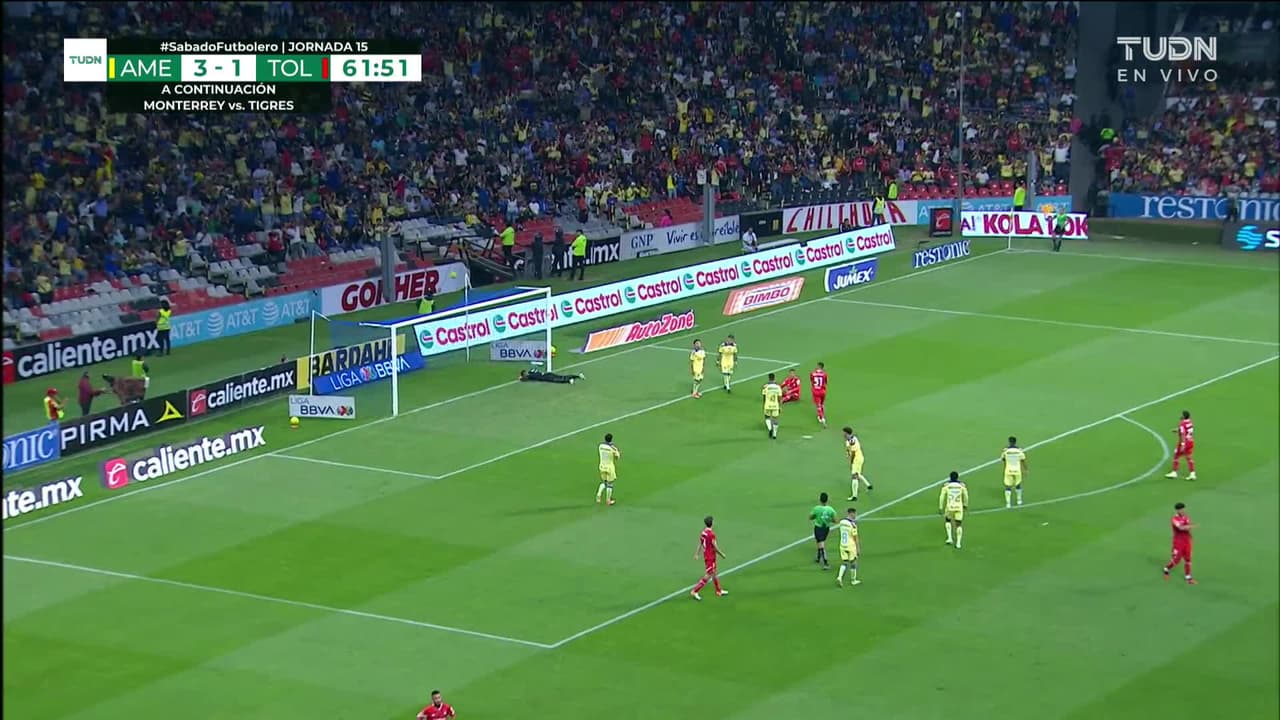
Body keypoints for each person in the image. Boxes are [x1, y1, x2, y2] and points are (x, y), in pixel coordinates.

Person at [690, 515, 727, 601]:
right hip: (710, 556)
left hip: (707, 555)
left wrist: (697, 554)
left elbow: (700, 543)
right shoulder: (711, 534)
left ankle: (718, 591)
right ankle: (695, 591)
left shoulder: (704, 532)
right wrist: (722, 554)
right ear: (712, 523)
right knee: (709, 574)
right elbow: (714, 546)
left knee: (714, 573)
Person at [1162, 502, 1196, 584]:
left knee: (1188, 559)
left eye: (1183, 509)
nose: (1182, 510)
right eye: (1181, 509)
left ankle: (1188, 577)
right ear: (1177, 510)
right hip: (1178, 542)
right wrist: (1192, 526)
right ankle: (1166, 569)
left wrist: (1191, 538)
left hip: (1186, 541)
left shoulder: (1186, 517)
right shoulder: (1174, 519)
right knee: (1177, 560)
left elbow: (1187, 528)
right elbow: (1181, 528)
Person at [939, 471, 969, 549]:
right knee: (958, 524)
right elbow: (966, 495)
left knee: (948, 520)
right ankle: (958, 543)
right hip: (959, 507)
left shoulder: (946, 485)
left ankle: (950, 538)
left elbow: (942, 496)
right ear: (957, 477)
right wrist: (965, 504)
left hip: (949, 506)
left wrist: (940, 507)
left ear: (950, 477)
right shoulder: (962, 485)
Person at [809, 492, 837, 569]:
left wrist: (816, 516)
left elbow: (810, 517)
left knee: (821, 543)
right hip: (826, 528)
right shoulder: (831, 509)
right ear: (827, 500)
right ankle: (818, 557)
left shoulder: (816, 508)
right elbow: (835, 520)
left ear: (820, 499)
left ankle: (825, 562)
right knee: (820, 542)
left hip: (818, 528)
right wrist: (828, 519)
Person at [1165, 410, 1196, 480]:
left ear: (1184, 416)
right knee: (1189, 457)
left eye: (1182, 415)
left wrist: (1182, 444)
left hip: (1184, 442)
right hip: (1190, 441)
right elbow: (1186, 430)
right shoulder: (1190, 422)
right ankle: (1192, 474)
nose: (1181, 416)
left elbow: (1183, 434)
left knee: (1176, 455)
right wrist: (1177, 430)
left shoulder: (1182, 423)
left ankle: (1174, 473)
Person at [843, 426, 872, 500]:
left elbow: (853, 453)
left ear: (847, 433)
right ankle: (868, 485)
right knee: (857, 474)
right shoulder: (849, 440)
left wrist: (851, 462)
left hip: (857, 459)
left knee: (854, 476)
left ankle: (854, 496)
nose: (843, 434)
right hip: (858, 458)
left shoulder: (852, 441)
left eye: (844, 433)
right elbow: (849, 449)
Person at [835, 507, 861, 587]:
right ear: (851, 513)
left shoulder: (842, 521)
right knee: (853, 562)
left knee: (844, 562)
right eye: (855, 513)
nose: (855, 515)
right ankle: (853, 580)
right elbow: (855, 537)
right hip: (851, 546)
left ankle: (839, 577)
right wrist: (858, 548)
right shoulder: (853, 525)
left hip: (842, 545)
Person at [1001, 436, 1028, 508]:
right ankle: (1019, 500)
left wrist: (1005, 468)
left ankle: (1008, 503)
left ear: (1009, 442)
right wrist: (1025, 469)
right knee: (1018, 485)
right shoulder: (1019, 450)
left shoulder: (1005, 450)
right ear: (1015, 442)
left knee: (1008, 486)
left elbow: (1003, 459)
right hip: (1017, 470)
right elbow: (1023, 460)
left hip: (1008, 470)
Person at [595, 432, 621, 506]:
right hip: (609, 467)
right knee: (610, 484)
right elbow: (617, 457)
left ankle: (599, 494)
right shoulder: (612, 448)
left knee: (604, 482)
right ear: (611, 439)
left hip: (602, 466)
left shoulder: (600, 446)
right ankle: (608, 500)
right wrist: (617, 451)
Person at [762, 373, 782, 440]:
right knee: (775, 419)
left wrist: (764, 405)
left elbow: (764, 397)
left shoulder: (765, 387)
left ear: (769, 378)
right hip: (775, 405)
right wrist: (780, 406)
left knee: (767, 417)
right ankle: (774, 434)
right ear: (774, 378)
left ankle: (770, 428)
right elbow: (780, 398)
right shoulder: (778, 387)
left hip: (767, 405)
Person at [809, 362, 828, 427]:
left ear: (819, 366)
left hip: (815, 391)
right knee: (822, 404)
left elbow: (812, 381)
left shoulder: (812, 373)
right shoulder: (824, 374)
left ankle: (822, 418)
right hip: (822, 391)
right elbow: (825, 382)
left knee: (818, 406)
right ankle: (821, 415)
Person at [518, 369, 583, 384]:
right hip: (547, 375)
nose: (526, 374)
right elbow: (522, 379)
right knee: (560, 378)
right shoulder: (530, 374)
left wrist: (521, 377)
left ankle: (570, 380)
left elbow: (522, 379)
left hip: (547, 377)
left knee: (559, 380)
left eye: (525, 373)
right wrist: (521, 377)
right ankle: (578, 376)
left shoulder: (530, 375)